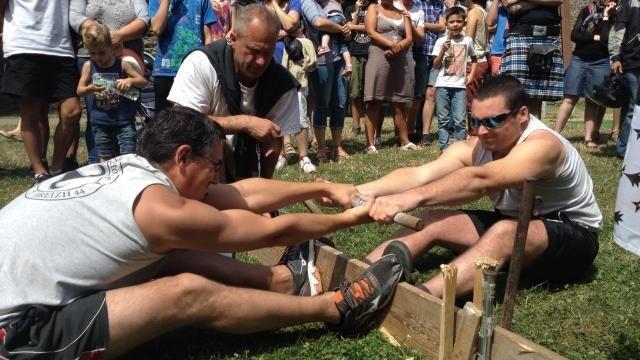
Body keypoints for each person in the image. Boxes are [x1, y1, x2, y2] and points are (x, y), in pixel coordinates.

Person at [0, 106, 406, 359]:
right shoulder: (160, 211)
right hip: (15, 335)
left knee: (165, 255)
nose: (217, 176)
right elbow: (265, 232)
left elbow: (239, 194)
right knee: (186, 291)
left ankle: (283, 284)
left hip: (22, 293)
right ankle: (335, 309)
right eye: (214, 165)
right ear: (182, 156)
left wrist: (321, 188)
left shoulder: (133, 169)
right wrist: (353, 219)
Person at [354, 75, 602, 298]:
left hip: (574, 239)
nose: (482, 132)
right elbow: (421, 174)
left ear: (523, 115)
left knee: (504, 232)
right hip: (517, 227)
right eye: (476, 121)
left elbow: (480, 181)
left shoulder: (544, 146)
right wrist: (360, 190)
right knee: (432, 220)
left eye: (493, 121)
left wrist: (409, 199)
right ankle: (359, 279)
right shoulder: (479, 144)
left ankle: (418, 300)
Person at [168, 5, 301, 179]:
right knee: (214, 140)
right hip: (196, 173)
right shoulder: (202, 64)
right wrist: (245, 123)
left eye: (267, 53)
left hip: (250, 175)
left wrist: (262, 188)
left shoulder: (282, 85)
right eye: (253, 51)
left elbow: (273, 143)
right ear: (233, 38)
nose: (261, 61)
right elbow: (182, 122)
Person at [1, 0, 82, 183]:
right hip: (24, 44)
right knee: (32, 113)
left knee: (73, 111)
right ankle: (39, 170)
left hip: (61, 47)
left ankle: (57, 167)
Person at [70, 0, 150, 164]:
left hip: (123, 116)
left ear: (110, 48)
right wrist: (90, 88)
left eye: (101, 52)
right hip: (101, 118)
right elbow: (75, 16)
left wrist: (129, 80)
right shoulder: (89, 65)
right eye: (93, 53)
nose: (97, 57)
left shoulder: (122, 64)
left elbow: (144, 19)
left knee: (127, 146)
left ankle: (127, 169)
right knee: (102, 148)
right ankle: (99, 168)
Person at [554, 0, 616, 148]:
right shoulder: (587, 10)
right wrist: (595, 37)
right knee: (570, 97)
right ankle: (555, 134)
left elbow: (606, 38)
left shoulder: (616, 16)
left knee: (592, 101)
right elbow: (575, 35)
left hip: (600, 61)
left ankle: (588, 138)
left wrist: (606, 16)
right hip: (579, 59)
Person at [300, 0, 353, 162]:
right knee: (322, 104)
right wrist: (341, 28)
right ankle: (321, 148)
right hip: (321, 60)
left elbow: (344, 30)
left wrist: (347, 31)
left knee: (340, 103)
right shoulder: (307, 2)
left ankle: (337, 146)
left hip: (339, 59)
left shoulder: (332, 3)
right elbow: (318, 23)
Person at [363, 0, 416, 154]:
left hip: (399, 58)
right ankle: (370, 144)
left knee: (400, 102)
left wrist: (398, 48)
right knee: (374, 100)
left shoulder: (403, 12)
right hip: (379, 56)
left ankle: (404, 141)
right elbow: (371, 32)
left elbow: (409, 37)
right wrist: (391, 45)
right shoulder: (374, 8)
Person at [499, 0, 564, 119]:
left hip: (548, 38)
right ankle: (517, 134)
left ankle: (534, 134)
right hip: (520, 36)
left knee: (537, 95)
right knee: (517, 93)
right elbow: (510, 6)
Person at [149, 0, 217, 114]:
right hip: (165, 71)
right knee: (164, 124)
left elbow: (208, 38)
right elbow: (156, 28)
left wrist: (207, 68)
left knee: (192, 121)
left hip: (194, 71)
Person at [432, 6, 477, 151]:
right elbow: (436, 65)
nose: (455, 24)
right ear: (446, 24)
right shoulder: (440, 42)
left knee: (460, 119)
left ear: (464, 23)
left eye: (459, 21)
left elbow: (475, 59)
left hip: (460, 87)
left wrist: (471, 74)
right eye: (451, 22)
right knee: (443, 119)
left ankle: (459, 148)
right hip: (442, 85)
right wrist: (443, 50)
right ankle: (444, 148)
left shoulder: (468, 41)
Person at [275, 36, 319, 174]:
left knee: (300, 114)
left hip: (292, 68)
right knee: (276, 117)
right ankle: (280, 156)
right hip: (271, 62)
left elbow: (291, 24)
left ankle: (304, 158)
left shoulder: (292, 13)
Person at [609, 0, 640, 158]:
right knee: (635, 108)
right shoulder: (629, 3)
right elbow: (617, 31)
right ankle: (624, 150)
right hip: (634, 61)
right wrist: (615, 57)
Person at [395, 0, 426, 143]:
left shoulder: (418, 11)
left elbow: (420, 38)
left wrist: (409, 23)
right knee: (383, 98)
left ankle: (405, 133)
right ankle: (376, 137)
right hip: (387, 52)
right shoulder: (390, 4)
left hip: (408, 55)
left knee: (406, 96)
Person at [417, 0, 446, 146]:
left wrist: (421, 25)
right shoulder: (415, 2)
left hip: (435, 53)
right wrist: (431, 26)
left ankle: (425, 134)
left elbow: (442, 26)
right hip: (418, 52)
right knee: (417, 94)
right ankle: (410, 131)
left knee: (431, 93)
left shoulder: (439, 4)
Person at [345, 0, 373, 136]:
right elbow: (348, 31)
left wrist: (355, 26)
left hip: (371, 52)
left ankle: (370, 125)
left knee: (370, 94)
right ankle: (356, 126)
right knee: (354, 93)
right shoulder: (349, 9)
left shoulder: (374, 7)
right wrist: (356, 11)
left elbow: (373, 27)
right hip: (354, 53)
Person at [316, 0, 353, 77]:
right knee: (343, 46)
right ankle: (348, 65)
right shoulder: (339, 3)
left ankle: (324, 46)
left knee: (325, 30)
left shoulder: (326, 2)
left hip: (333, 16)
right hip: (342, 19)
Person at [464, 0, 489, 112]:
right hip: (481, 59)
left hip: (472, 61)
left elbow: (467, 40)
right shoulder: (483, 12)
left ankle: (474, 129)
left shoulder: (473, 12)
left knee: (469, 104)